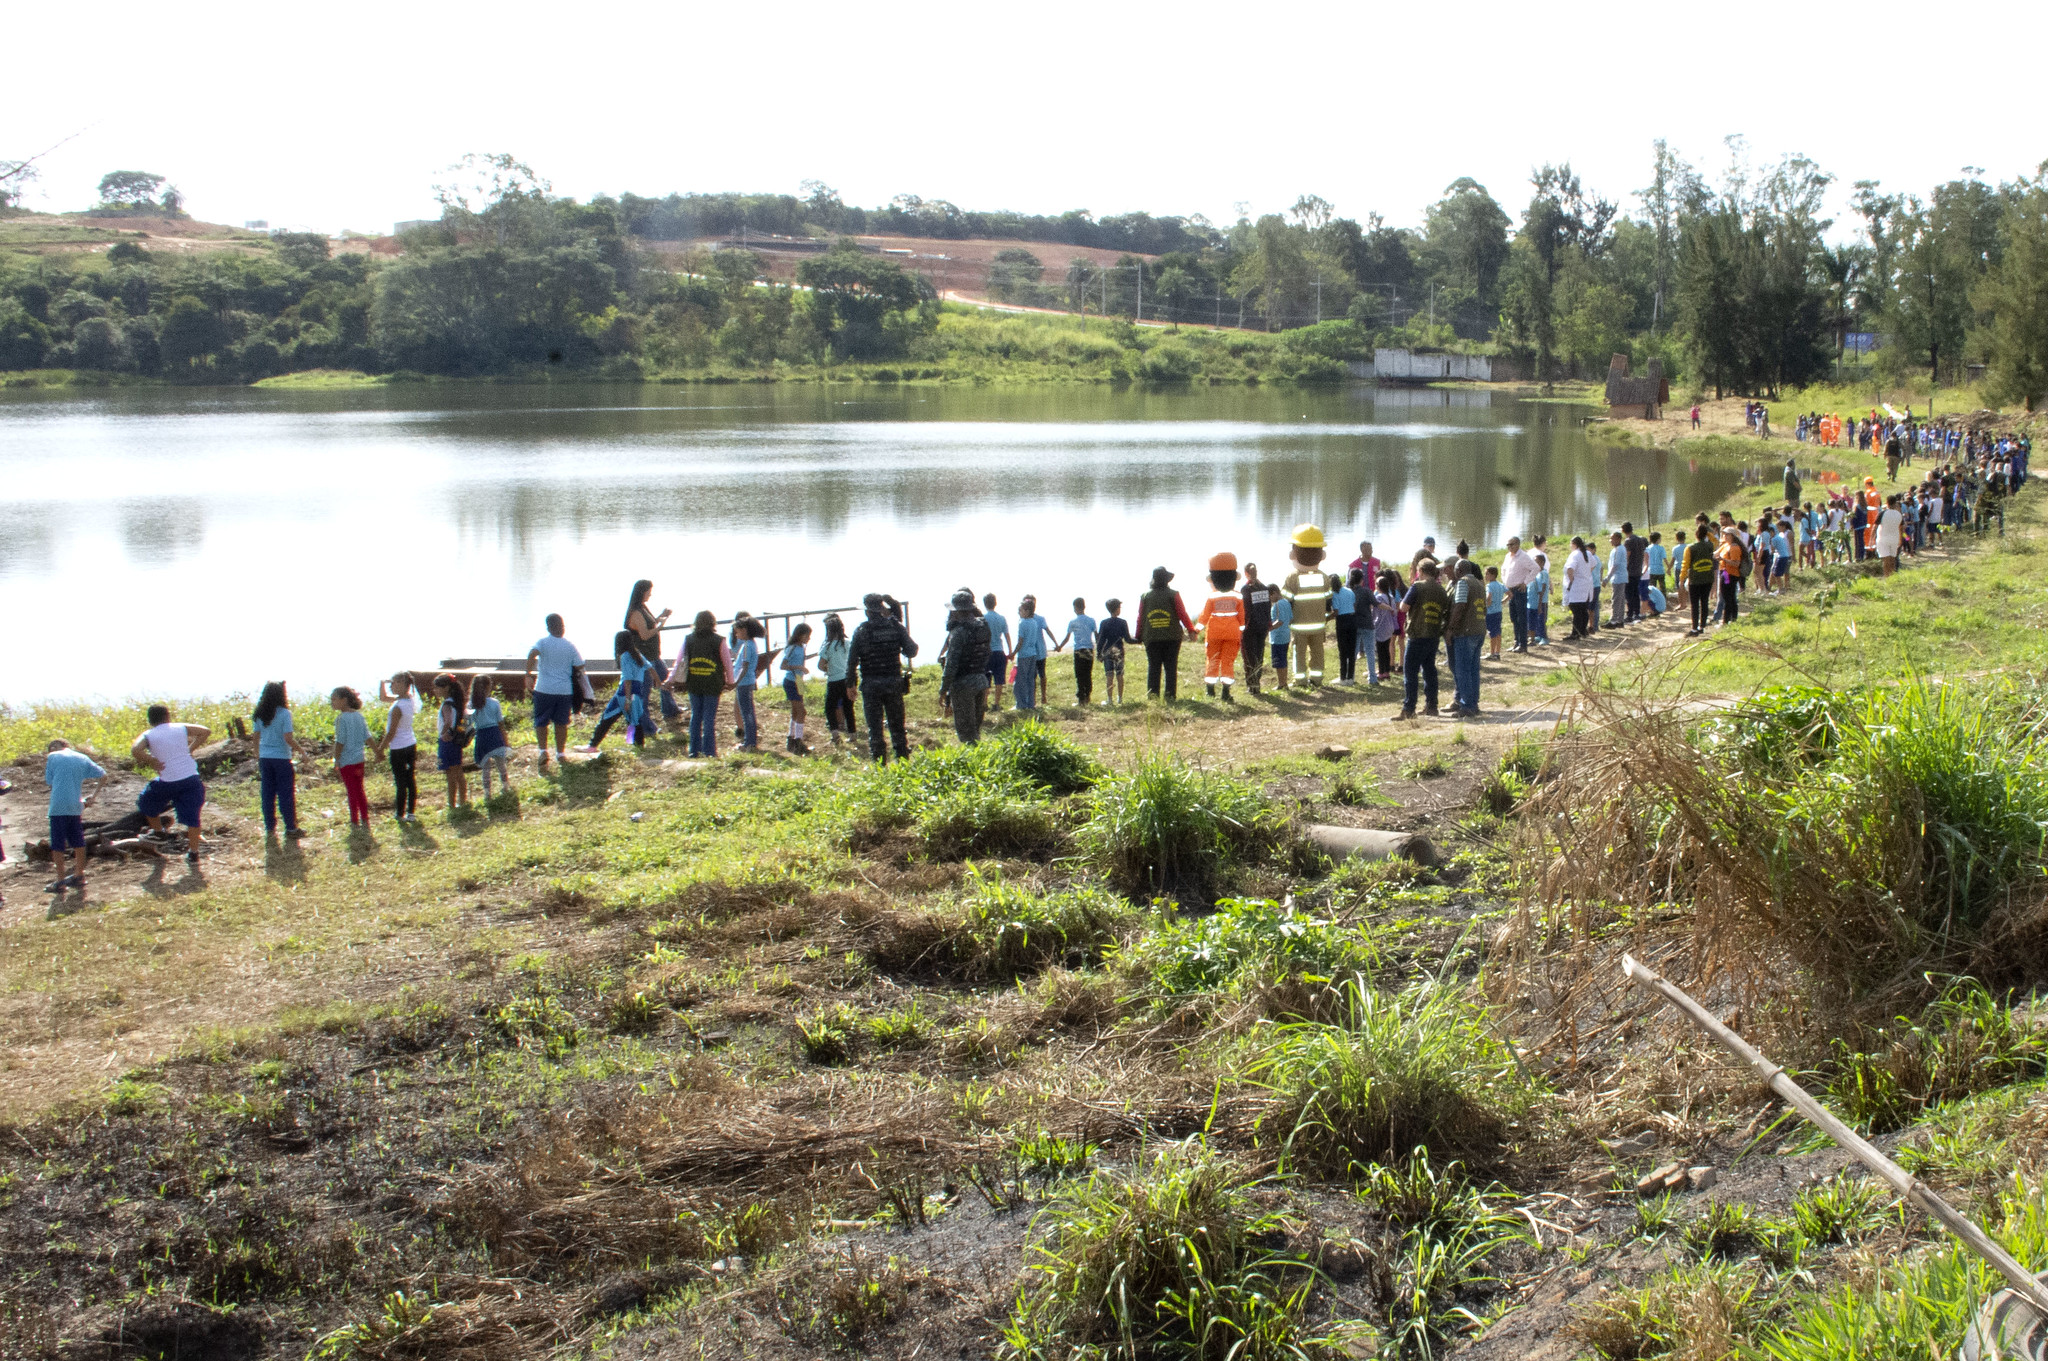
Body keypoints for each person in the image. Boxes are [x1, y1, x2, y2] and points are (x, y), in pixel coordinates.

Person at [131, 704, 210, 861]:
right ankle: (194, 852)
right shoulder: (180, 727)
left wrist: (151, 760)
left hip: (167, 781)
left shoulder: (149, 734)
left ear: (150, 720)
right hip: (190, 779)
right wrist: (190, 748)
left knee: (146, 802)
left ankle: (159, 831)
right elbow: (205, 731)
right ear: (167, 716)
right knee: (193, 817)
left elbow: (135, 750)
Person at [850, 593, 918, 762]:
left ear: (867, 611)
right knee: (897, 727)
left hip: (871, 685)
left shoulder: (861, 631)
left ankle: (880, 766)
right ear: (881, 609)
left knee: (875, 729)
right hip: (893, 683)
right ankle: (902, 762)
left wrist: (850, 684)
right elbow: (912, 650)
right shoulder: (894, 627)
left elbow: (851, 662)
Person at [41, 739, 105, 893]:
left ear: (57, 748)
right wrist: (93, 797)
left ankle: (61, 881)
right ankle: (79, 875)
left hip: (58, 807)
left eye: (52, 748)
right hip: (75, 806)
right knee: (78, 842)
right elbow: (103, 775)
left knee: (57, 845)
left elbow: (49, 781)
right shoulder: (81, 757)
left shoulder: (53, 757)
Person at [524, 614, 583, 771]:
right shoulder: (569, 646)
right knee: (561, 723)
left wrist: (528, 674)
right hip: (563, 690)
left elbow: (532, 654)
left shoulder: (542, 642)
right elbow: (579, 665)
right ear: (561, 627)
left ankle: (543, 751)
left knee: (541, 721)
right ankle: (560, 753)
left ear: (548, 628)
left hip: (543, 689)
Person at [250, 681, 307, 838]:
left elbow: (256, 736)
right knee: (285, 793)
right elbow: (288, 737)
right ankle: (290, 827)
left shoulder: (260, 713)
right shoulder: (284, 713)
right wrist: (302, 751)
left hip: (265, 757)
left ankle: (269, 827)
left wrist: (257, 752)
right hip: (281, 757)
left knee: (267, 793)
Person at [1394, 561, 1449, 721]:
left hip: (1417, 634)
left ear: (1421, 571)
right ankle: (1432, 706)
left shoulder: (1417, 587)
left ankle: (1409, 708)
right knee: (1429, 670)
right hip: (1433, 634)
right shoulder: (1441, 590)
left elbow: (1404, 607)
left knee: (1410, 672)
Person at [673, 610, 732, 757]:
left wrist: (670, 679)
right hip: (713, 684)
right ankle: (710, 751)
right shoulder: (719, 640)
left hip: (694, 683)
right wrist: (731, 681)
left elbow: (679, 661)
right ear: (713, 623)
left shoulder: (689, 639)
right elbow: (727, 664)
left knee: (696, 716)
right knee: (709, 718)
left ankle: (694, 750)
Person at [1282, 525, 1334, 688]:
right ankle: (1317, 679)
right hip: (1318, 624)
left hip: (1299, 625)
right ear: (1321, 555)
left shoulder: (1293, 577)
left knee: (1299, 653)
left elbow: (1286, 601)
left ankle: (1300, 680)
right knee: (1318, 653)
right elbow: (1328, 601)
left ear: (1294, 553)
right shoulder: (1324, 577)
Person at [625, 580, 682, 724]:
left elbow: (649, 624)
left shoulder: (642, 608)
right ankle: (644, 723)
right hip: (645, 657)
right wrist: (660, 627)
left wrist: (662, 616)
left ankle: (670, 709)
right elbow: (644, 634)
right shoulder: (636, 612)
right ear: (642, 592)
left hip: (653, 655)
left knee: (664, 678)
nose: (650, 594)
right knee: (645, 691)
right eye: (649, 591)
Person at [940, 589, 993, 745]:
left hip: (963, 685)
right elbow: (987, 652)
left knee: (966, 733)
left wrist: (943, 689)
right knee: (975, 729)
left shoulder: (958, 632)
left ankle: (972, 765)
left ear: (956, 611)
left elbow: (951, 664)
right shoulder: (983, 626)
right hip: (981, 681)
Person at [1137, 566, 1195, 700]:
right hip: (1172, 637)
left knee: (1153, 667)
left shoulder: (1145, 596)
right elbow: (1182, 614)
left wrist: (1139, 635)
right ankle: (1170, 696)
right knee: (1170, 667)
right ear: (1166, 580)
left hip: (1151, 637)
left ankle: (1153, 697)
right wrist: (1191, 630)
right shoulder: (1173, 594)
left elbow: (1140, 617)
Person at [1198, 552, 1245, 701]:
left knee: (1212, 659)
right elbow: (1242, 618)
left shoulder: (1212, 596)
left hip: (1214, 633)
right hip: (1232, 633)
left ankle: (1210, 690)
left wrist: (1196, 629)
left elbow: (1204, 616)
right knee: (1228, 661)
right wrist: (1241, 631)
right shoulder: (1238, 596)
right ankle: (1225, 692)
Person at [375, 674, 420, 823]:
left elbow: (391, 732)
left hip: (399, 748)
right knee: (410, 779)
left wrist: (380, 749)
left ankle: (400, 813)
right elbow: (383, 697)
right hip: (410, 743)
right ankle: (411, 812)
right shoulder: (408, 699)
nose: (391, 686)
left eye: (393, 683)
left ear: (402, 684)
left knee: (400, 781)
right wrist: (383, 682)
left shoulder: (397, 707)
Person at [1446, 561, 1487, 717]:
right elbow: (1484, 608)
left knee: (1462, 670)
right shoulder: (1479, 583)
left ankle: (1467, 705)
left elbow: (1460, 605)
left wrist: (1451, 629)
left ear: (1459, 570)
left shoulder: (1463, 583)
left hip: (1465, 631)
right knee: (1473, 669)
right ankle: (1473, 703)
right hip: (1479, 630)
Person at [331, 687, 372, 826]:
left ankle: (354, 818)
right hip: (359, 759)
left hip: (347, 761)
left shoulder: (341, 718)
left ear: (344, 700)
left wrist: (336, 759)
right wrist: (378, 752)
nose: (332, 702)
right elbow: (368, 737)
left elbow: (340, 741)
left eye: (334, 699)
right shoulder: (359, 716)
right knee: (359, 789)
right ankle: (364, 816)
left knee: (351, 791)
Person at [431, 673, 471, 811]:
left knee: (450, 774)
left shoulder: (446, 704)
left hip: (446, 742)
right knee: (458, 771)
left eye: (437, 688)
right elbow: (464, 721)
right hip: (455, 741)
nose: (435, 691)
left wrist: (443, 733)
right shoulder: (457, 703)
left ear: (446, 688)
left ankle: (451, 803)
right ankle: (463, 800)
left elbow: (447, 721)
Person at [817, 613, 855, 749]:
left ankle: (835, 734)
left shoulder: (827, 646)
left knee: (829, 707)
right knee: (848, 707)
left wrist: (827, 669)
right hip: (847, 678)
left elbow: (820, 665)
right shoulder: (848, 643)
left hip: (833, 680)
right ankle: (852, 734)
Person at [1012, 596, 1055, 712]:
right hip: (1033, 654)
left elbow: (1020, 641)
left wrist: (1013, 653)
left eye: (1020, 610)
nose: (1018, 613)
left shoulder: (1023, 623)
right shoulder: (1034, 623)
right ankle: (1031, 703)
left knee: (1021, 680)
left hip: (1024, 655)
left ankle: (1021, 704)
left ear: (1026, 611)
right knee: (1031, 679)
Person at [729, 621, 766, 753]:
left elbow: (744, 667)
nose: (736, 634)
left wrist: (735, 682)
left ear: (744, 630)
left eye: (737, 631)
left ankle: (749, 742)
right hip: (748, 681)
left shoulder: (746, 646)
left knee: (747, 713)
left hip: (744, 683)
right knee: (749, 712)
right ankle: (751, 741)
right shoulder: (750, 644)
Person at [471, 677, 512, 797]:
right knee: (501, 764)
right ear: (489, 687)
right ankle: (505, 786)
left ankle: (487, 792)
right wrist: (506, 741)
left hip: (481, 737)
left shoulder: (471, 705)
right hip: (494, 734)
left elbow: (469, 723)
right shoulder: (494, 703)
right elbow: (500, 724)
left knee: (486, 768)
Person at [779, 621, 815, 754]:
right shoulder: (792, 648)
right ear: (800, 635)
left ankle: (791, 738)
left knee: (796, 711)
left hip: (798, 681)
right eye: (807, 636)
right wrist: (799, 667)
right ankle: (798, 741)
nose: (808, 639)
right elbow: (783, 666)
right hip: (791, 681)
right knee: (801, 712)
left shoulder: (801, 648)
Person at [1240, 564, 1275, 695]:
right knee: (1259, 655)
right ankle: (1257, 685)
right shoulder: (1264, 588)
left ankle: (1252, 686)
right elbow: (1267, 607)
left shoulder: (1245, 590)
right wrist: (1268, 624)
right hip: (1262, 627)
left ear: (1246, 573)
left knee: (1249, 657)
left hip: (1250, 628)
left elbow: (1245, 610)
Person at [1059, 599, 1097, 706]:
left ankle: (1081, 699)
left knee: (1080, 675)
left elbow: (1067, 638)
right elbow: (1096, 635)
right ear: (1084, 606)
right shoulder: (1091, 620)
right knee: (1088, 673)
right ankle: (1088, 696)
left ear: (1075, 608)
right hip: (1089, 649)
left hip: (1079, 650)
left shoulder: (1073, 622)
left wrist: (1059, 647)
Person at [1501, 536, 1535, 653]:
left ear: (1518, 544)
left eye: (1511, 544)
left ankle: (1523, 644)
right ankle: (1516, 642)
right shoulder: (1507, 557)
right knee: (1513, 617)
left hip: (1519, 590)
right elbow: (1503, 570)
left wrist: (1525, 582)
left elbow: (1535, 568)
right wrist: (1505, 584)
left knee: (1521, 617)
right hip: (1510, 590)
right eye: (1508, 545)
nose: (1509, 547)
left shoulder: (1524, 557)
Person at [1096, 599, 1131, 706]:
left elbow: (1101, 640)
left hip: (1108, 651)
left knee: (1109, 676)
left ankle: (1109, 699)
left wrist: (1099, 653)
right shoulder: (1123, 622)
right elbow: (1128, 639)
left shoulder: (1104, 623)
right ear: (1117, 609)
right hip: (1119, 651)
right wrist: (1139, 640)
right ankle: (1120, 699)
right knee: (1120, 675)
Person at [1563, 536, 1598, 640]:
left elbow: (1570, 568)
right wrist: (1586, 573)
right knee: (1583, 609)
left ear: (1574, 544)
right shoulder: (1587, 553)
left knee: (1576, 610)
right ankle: (1583, 631)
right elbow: (1594, 564)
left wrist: (1571, 579)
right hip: (1586, 585)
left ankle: (1576, 633)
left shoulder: (1575, 554)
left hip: (1577, 586)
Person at [982, 594, 1012, 714]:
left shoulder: (983, 618)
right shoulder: (1001, 618)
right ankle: (996, 703)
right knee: (999, 679)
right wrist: (1010, 651)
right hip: (999, 651)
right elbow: (1007, 635)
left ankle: (984, 703)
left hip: (987, 652)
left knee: (986, 679)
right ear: (995, 603)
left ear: (985, 604)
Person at [1330, 567, 1359, 685]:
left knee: (1343, 650)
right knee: (1352, 650)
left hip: (1342, 621)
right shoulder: (1349, 591)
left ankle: (1343, 677)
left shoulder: (1334, 594)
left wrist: (1326, 618)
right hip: (1352, 620)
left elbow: (1335, 612)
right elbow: (1354, 606)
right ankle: (1350, 677)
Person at [1372, 571, 1401, 677]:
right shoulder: (1391, 597)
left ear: (1378, 586)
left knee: (1380, 651)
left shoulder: (1378, 598)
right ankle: (1387, 671)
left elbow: (1375, 612)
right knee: (1386, 650)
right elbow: (1395, 611)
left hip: (1381, 627)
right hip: (1390, 627)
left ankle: (1381, 672)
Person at [1714, 528, 1744, 625]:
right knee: (1729, 597)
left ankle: (1726, 620)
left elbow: (1736, 563)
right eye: (1724, 534)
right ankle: (1732, 618)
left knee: (1728, 597)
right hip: (1725, 572)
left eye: (1727, 534)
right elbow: (1715, 554)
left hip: (1730, 574)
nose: (1725, 536)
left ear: (1732, 536)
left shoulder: (1734, 548)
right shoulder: (1726, 545)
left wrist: (1724, 560)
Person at [1605, 531, 1629, 628]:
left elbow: (1615, 565)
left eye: (1612, 538)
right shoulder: (1619, 549)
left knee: (1616, 599)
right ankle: (1620, 619)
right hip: (1621, 577)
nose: (1610, 540)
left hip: (1618, 577)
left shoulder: (1619, 550)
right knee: (1621, 599)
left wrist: (1607, 578)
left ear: (1618, 539)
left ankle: (1614, 620)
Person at [1875, 494, 1904, 575]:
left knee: (1885, 559)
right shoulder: (1899, 514)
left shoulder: (1883, 513)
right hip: (1895, 538)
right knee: (1892, 559)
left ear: (1887, 503)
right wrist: (1901, 539)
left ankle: (1886, 575)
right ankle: (1892, 575)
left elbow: (1875, 526)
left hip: (1883, 538)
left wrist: (1871, 538)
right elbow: (1901, 528)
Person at [1483, 566, 1506, 661]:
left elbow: (1489, 596)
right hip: (1499, 611)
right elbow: (1510, 594)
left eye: (1487, 574)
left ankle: (1492, 653)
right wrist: (1502, 601)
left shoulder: (1489, 586)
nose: (1485, 576)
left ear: (1493, 575)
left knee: (1492, 633)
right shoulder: (1501, 585)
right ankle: (1497, 652)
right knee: (1498, 632)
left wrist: (1487, 604)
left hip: (1491, 612)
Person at [1529, 552, 1552, 645]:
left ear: (1542, 563)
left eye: (1537, 562)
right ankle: (1539, 635)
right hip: (1536, 601)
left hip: (1542, 601)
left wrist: (1539, 602)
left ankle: (1544, 637)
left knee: (1542, 619)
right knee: (1537, 619)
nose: (1535, 564)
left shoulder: (1543, 573)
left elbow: (1542, 587)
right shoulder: (1536, 573)